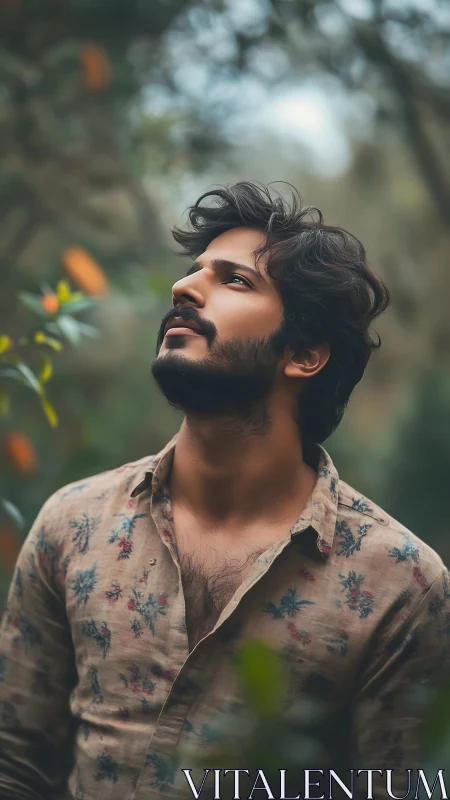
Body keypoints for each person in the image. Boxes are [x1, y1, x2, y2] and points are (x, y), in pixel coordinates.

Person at [0, 181, 448, 800]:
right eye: (192, 272)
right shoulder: (71, 524)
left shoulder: (402, 585)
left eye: (234, 280)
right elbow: (15, 765)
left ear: (305, 354)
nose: (185, 288)